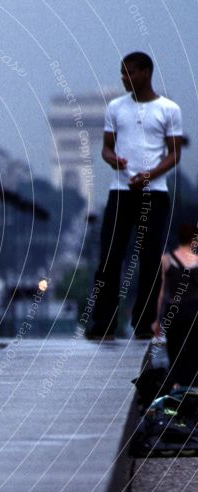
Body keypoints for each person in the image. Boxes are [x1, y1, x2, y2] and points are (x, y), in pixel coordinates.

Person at [86, 51, 183, 340]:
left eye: (128, 73)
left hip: (154, 194)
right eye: (121, 73)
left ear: (145, 73)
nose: (123, 78)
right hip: (121, 192)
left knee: (150, 259)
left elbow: (175, 153)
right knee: (110, 258)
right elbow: (105, 148)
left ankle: (144, 323)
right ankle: (103, 324)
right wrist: (112, 160)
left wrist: (149, 175)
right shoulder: (115, 107)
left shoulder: (169, 109)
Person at [154, 224, 198, 386]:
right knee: (194, 350)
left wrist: (157, 321)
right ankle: (192, 388)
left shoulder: (166, 260)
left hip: (174, 310)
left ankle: (176, 387)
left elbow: (161, 293)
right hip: (194, 310)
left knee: (174, 350)